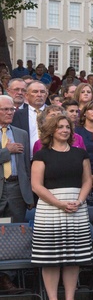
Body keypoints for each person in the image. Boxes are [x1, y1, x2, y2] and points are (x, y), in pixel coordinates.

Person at [30, 112, 93, 300]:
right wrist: (58, 203)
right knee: (51, 258)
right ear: (51, 131)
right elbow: (36, 186)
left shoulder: (80, 154)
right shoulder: (41, 155)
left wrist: (80, 201)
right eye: (60, 127)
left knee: (73, 258)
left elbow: (87, 181)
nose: (65, 130)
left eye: (67, 127)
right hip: (50, 210)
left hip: (76, 208)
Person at [0, 95, 33, 223]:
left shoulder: (21, 134)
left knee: (16, 232)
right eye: (5, 109)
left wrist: (28, 195)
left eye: (12, 109)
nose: (10, 112)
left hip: (17, 190)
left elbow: (26, 167)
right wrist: (7, 151)